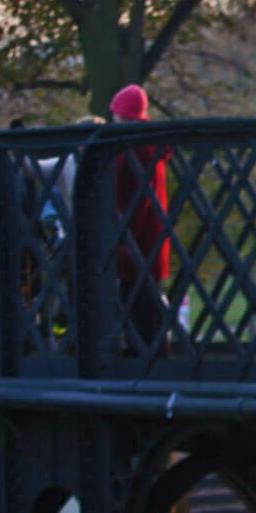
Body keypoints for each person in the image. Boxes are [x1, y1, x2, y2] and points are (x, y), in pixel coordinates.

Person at [109, 85, 170, 357]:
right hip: (149, 240)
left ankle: (146, 367)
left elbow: (133, 201)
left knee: (139, 309)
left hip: (134, 244)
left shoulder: (132, 150)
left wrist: (122, 241)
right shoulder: (149, 147)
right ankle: (152, 363)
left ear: (121, 115)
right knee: (146, 307)